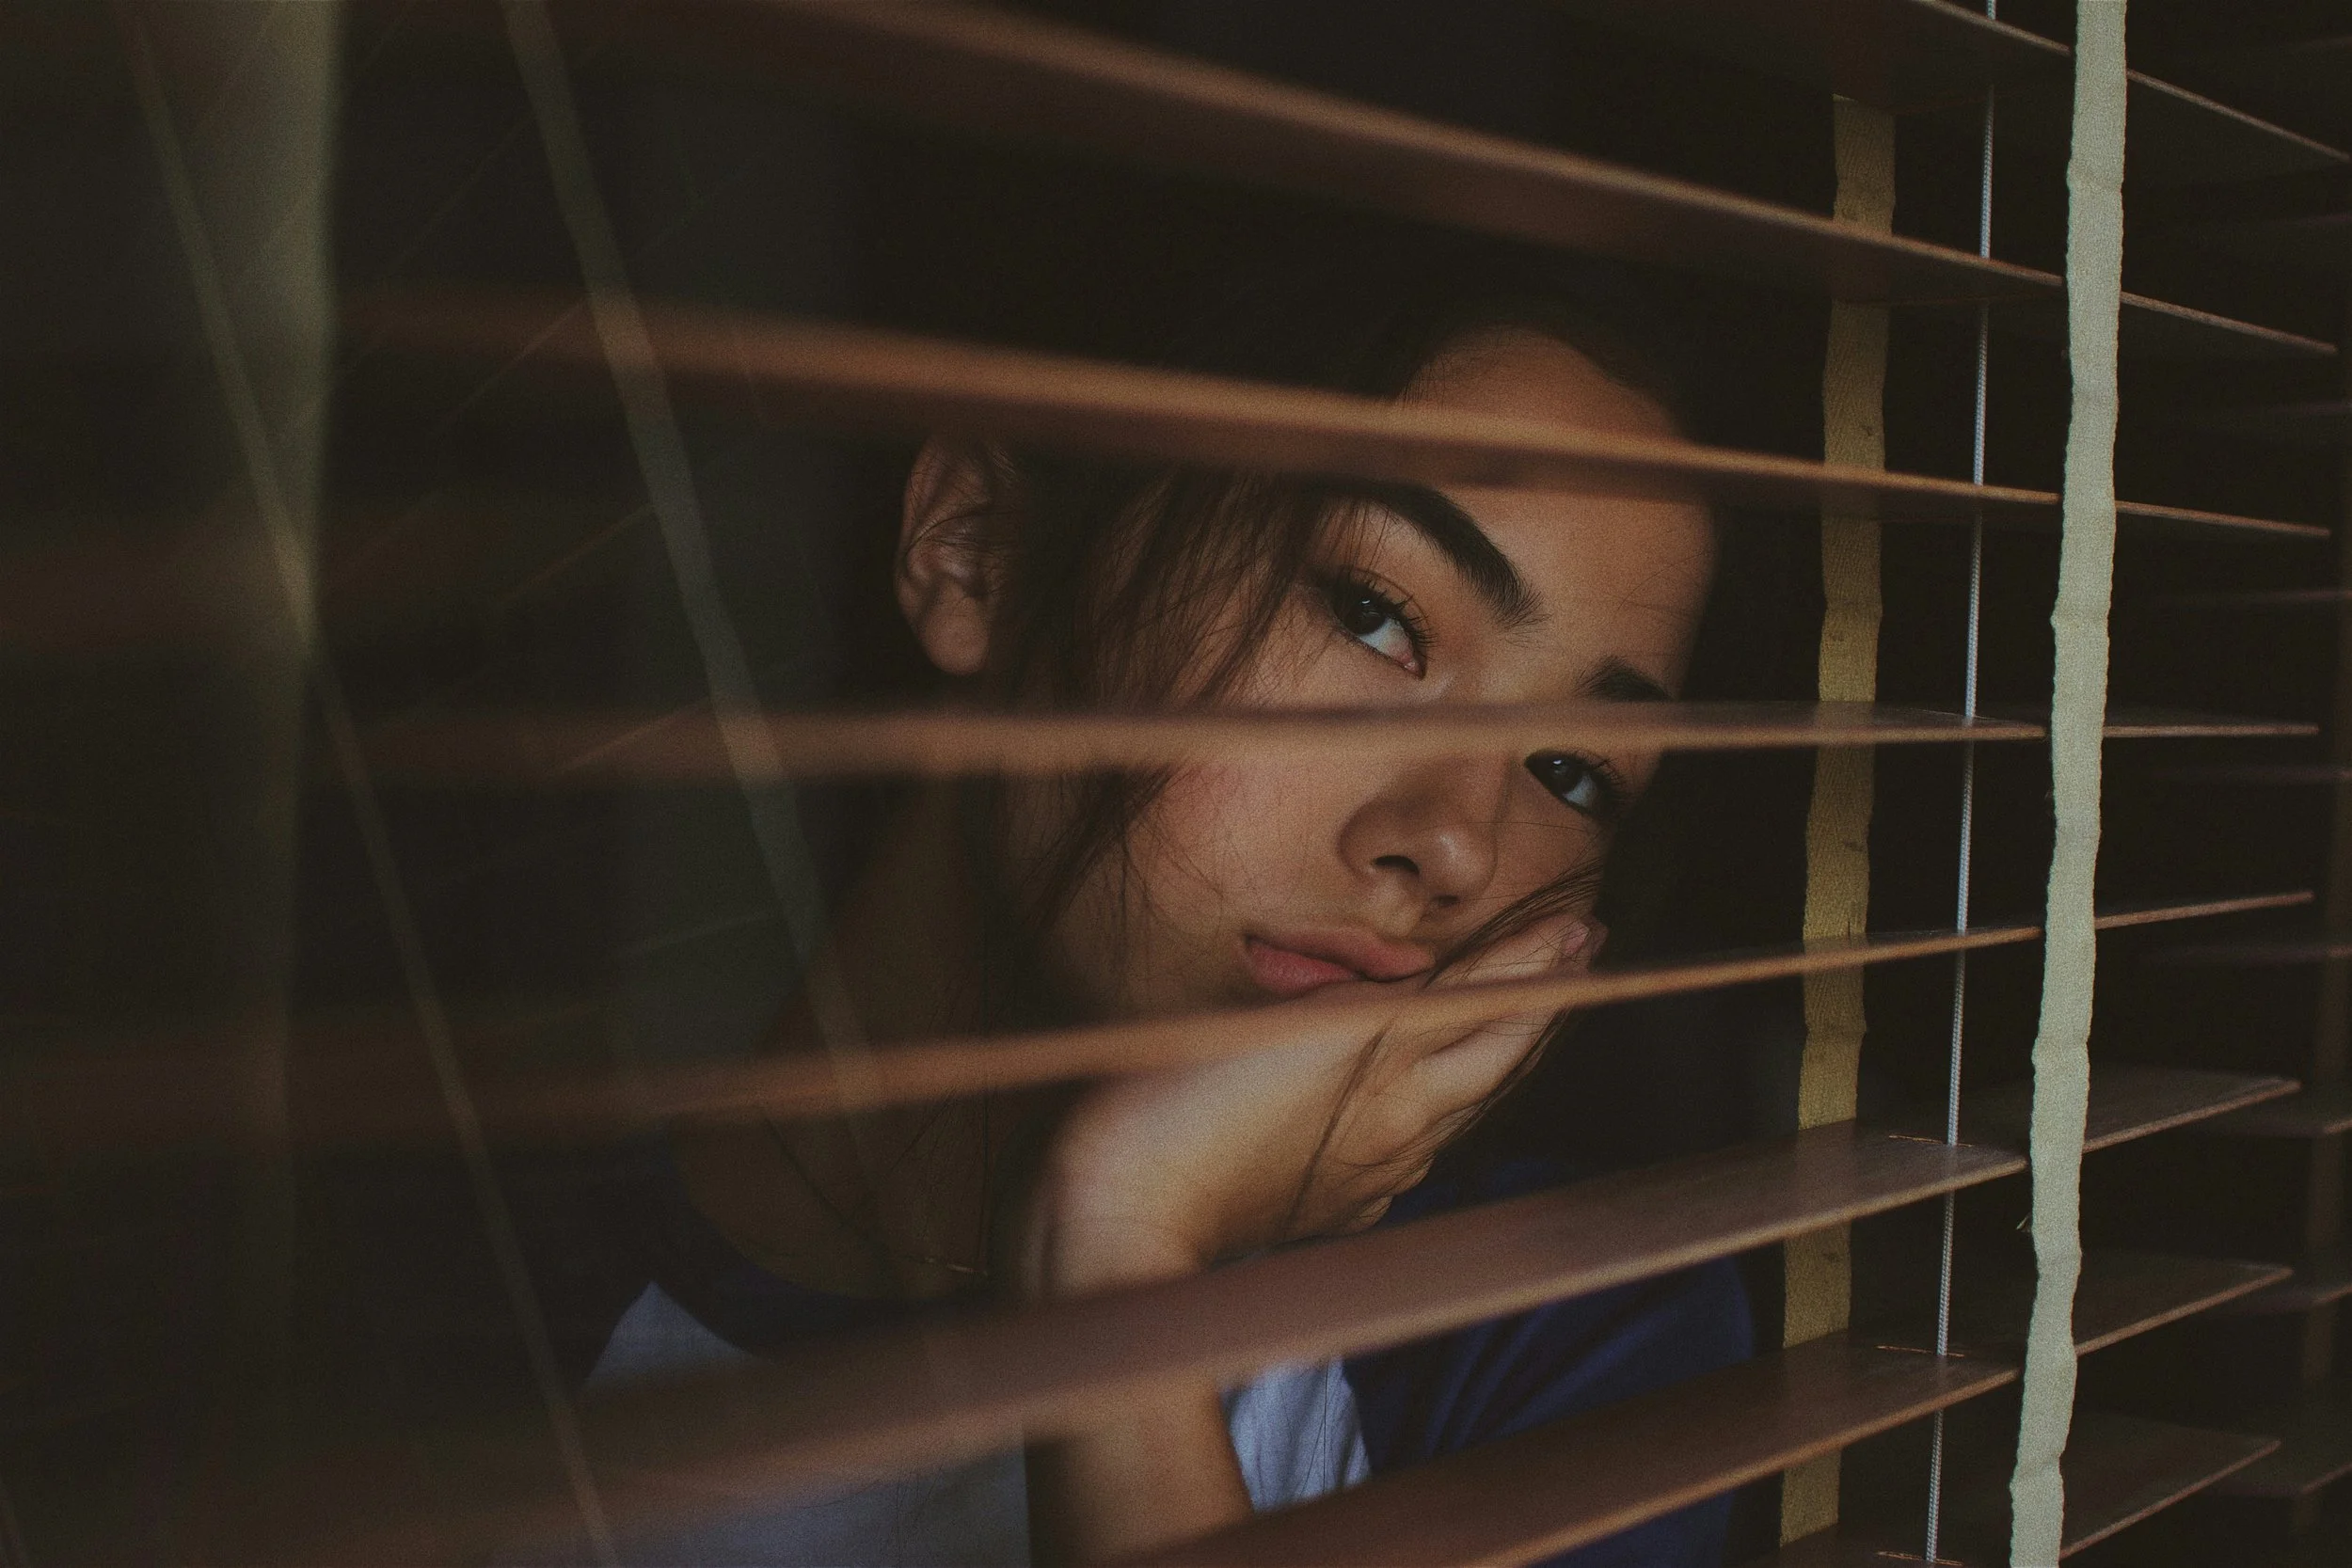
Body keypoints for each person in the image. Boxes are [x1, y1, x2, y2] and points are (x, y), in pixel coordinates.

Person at [577, 245, 1750, 1566]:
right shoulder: (464, 1304)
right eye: (1374, 615)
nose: (1456, 843)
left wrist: (1117, 1242)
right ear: (979, 554)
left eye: (1574, 770)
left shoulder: (1553, 1336)